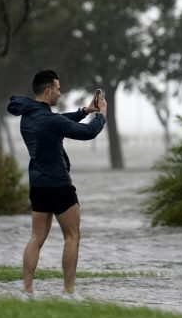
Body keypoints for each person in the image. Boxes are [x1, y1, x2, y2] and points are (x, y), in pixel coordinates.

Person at [7, 70, 108, 297]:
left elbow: (59, 122)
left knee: (36, 237)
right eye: (59, 89)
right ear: (48, 90)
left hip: (38, 184)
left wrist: (85, 110)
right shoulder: (49, 120)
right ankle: (68, 292)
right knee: (72, 236)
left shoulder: (29, 116)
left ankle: (26, 290)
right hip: (59, 185)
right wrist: (101, 115)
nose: (60, 93)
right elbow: (89, 132)